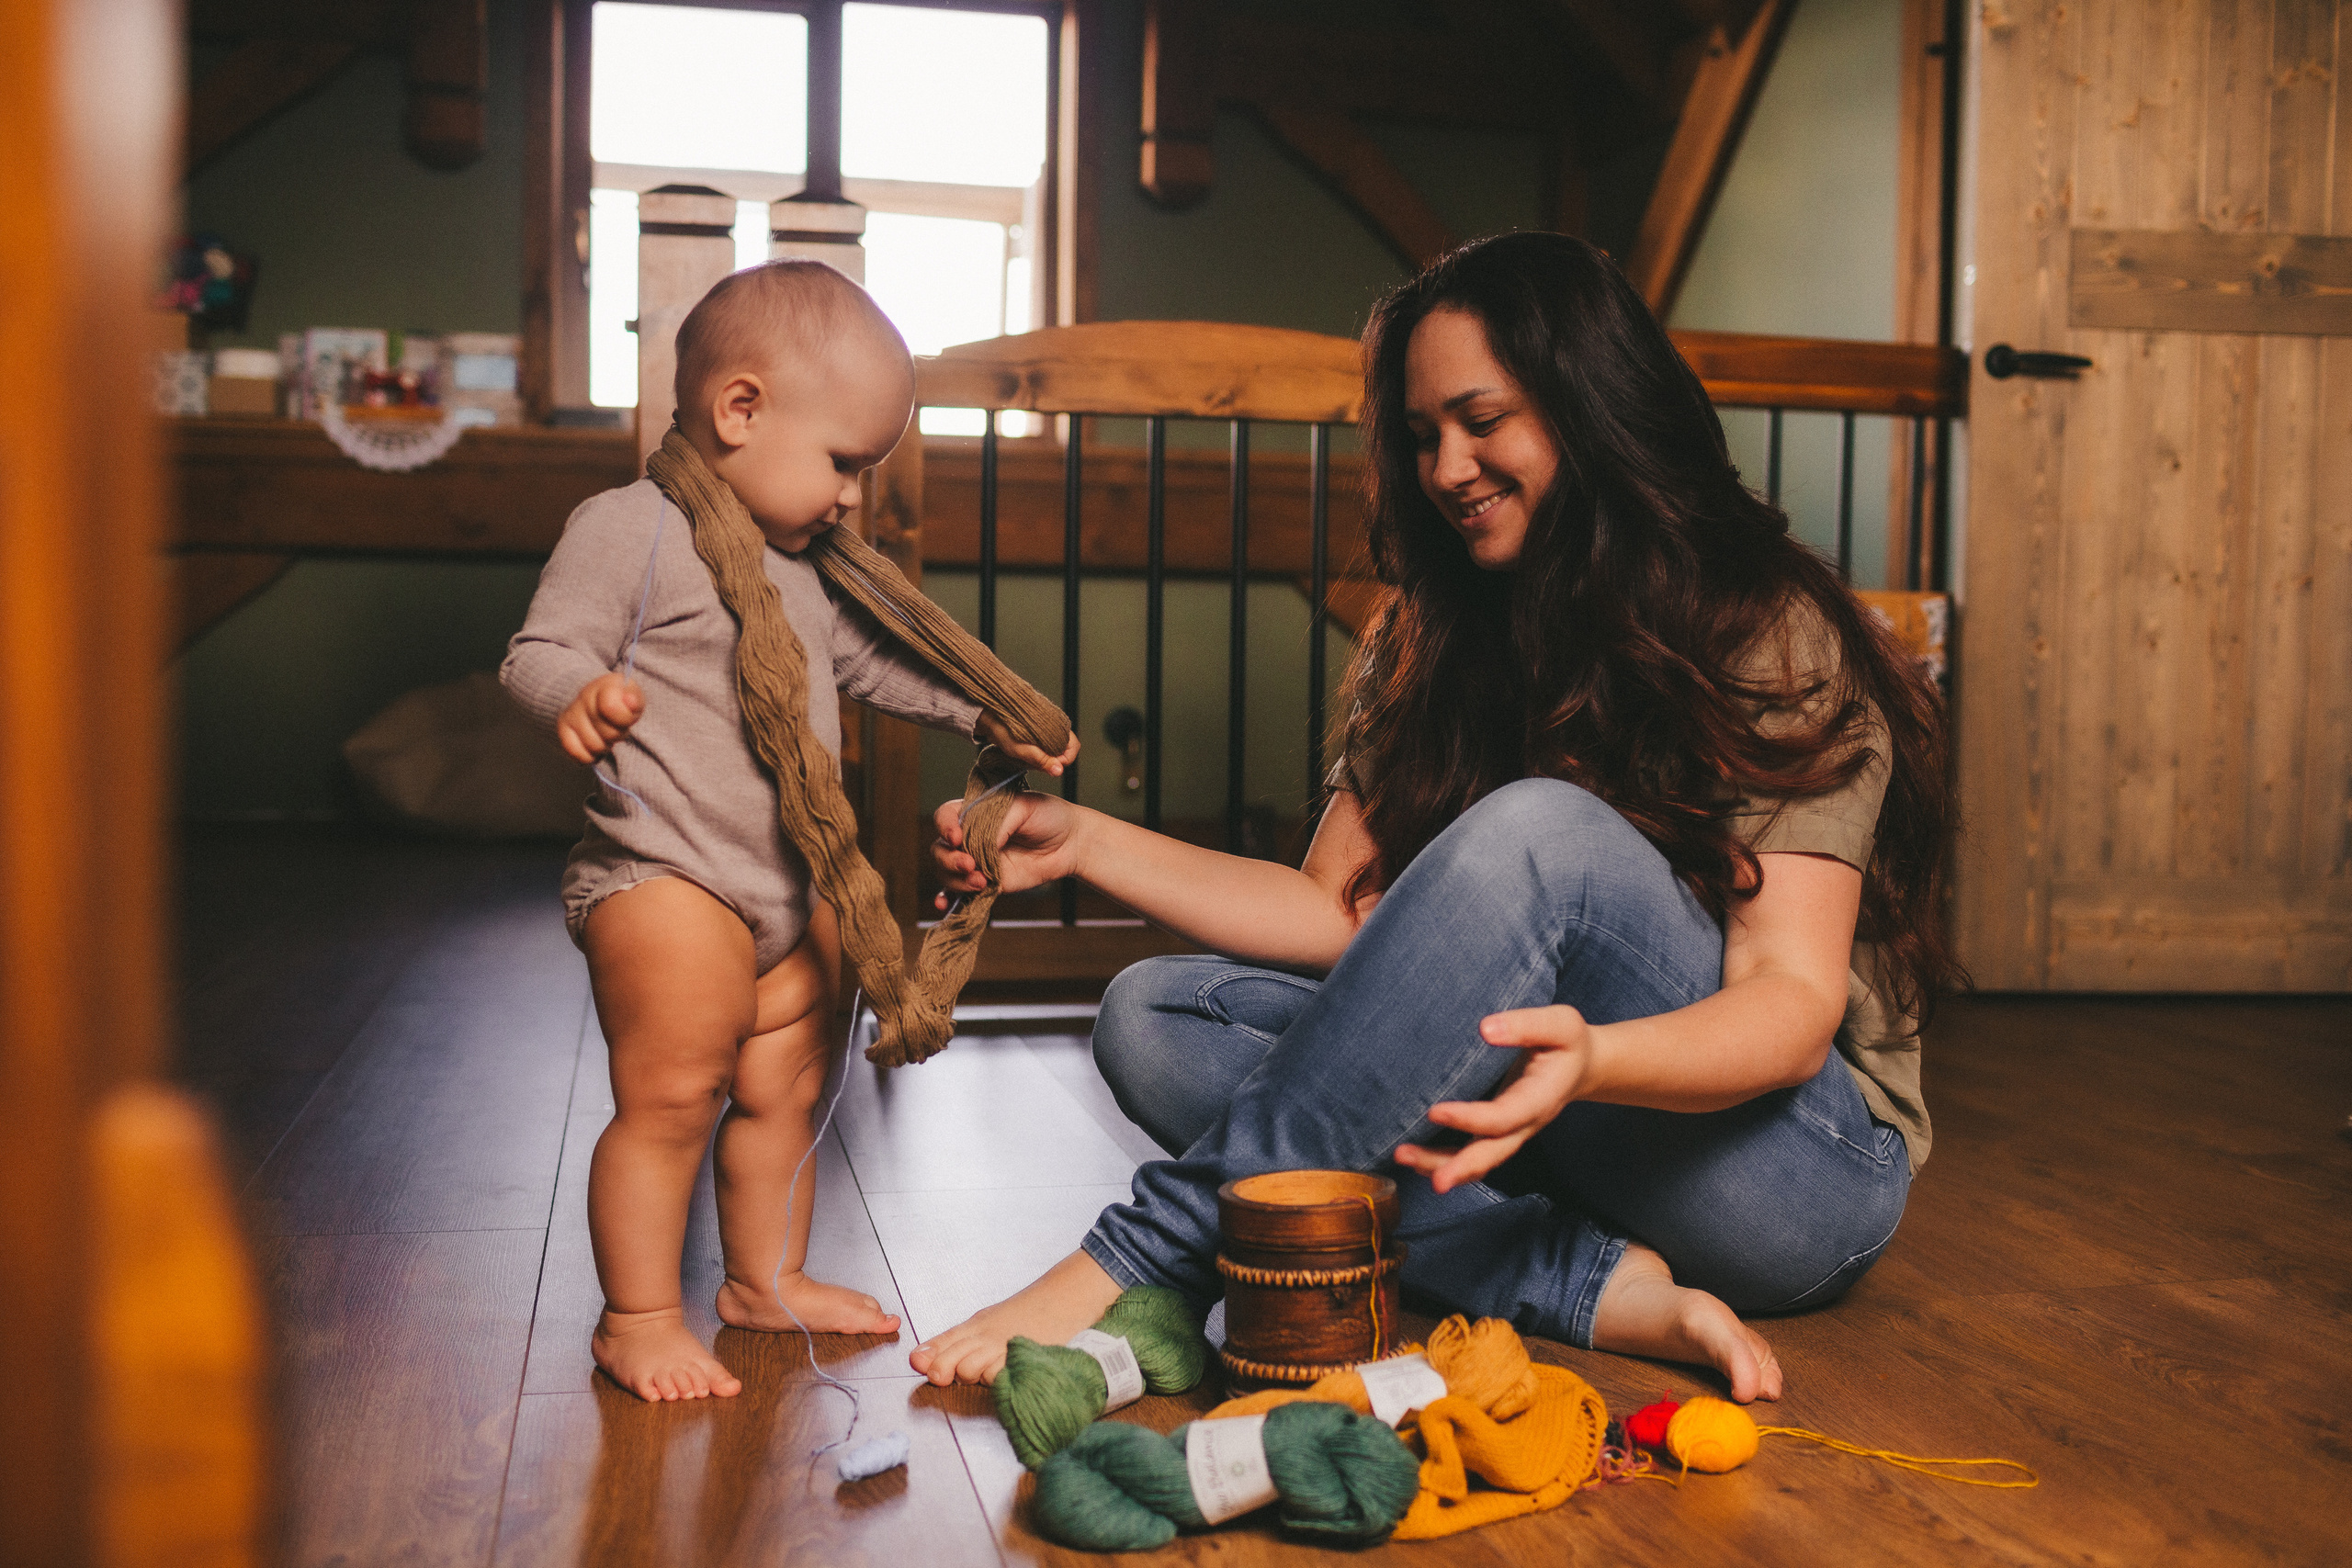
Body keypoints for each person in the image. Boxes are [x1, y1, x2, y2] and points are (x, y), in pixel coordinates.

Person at [908, 232, 1960, 1404]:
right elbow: (1327, 911)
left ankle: (1138, 1252)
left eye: (1481, 420)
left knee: (1543, 833)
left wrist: (1596, 1059)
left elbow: (1792, 1008)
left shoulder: (1771, 630)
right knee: (1157, 1016)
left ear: (1588, 407)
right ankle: (1587, 1284)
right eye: (1419, 437)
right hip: (1545, 1134)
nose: (1446, 467)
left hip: (1783, 1170)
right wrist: (1091, 841)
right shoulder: (1432, 640)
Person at [503, 262, 1072, 1402]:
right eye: (845, 463)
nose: (856, 494)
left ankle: (764, 1280)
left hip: (789, 882)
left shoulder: (803, 570)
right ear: (740, 410)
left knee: (784, 1095)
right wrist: (580, 695)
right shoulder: (631, 527)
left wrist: (983, 711)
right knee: (670, 1099)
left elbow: (860, 663)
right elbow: (538, 649)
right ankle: (639, 1316)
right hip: (666, 874)